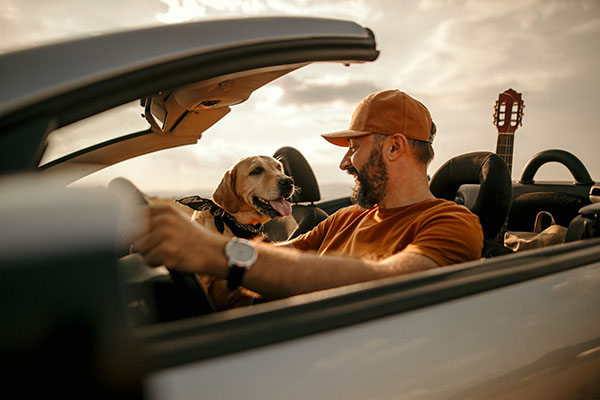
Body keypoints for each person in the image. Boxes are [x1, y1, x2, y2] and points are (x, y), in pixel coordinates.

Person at [133, 89, 483, 299]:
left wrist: (219, 253)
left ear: (394, 147)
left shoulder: (451, 222)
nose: (345, 162)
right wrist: (194, 241)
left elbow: (387, 282)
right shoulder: (346, 218)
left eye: (353, 147)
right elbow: (278, 260)